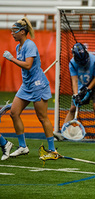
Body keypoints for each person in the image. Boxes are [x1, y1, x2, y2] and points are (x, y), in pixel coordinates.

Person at [2, 17, 57, 158]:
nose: (12, 34)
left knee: (42, 117)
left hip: (38, 85)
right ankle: (23, 147)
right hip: (26, 86)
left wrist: (11, 59)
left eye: (15, 31)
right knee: (14, 113)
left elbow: (27, 65)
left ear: (22, 32)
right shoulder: (18, 46)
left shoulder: (30, 45)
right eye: (11, 31)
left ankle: (52, 150)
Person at [60, 43, 95, 143]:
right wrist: (76, 94)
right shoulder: (72, 63)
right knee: (73, 108)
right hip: (81, 83)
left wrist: (88, 89)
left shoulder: (94, 60)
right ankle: (63, 132)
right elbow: (74, 80)